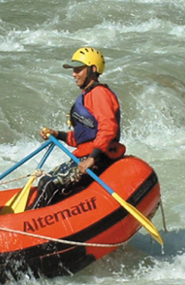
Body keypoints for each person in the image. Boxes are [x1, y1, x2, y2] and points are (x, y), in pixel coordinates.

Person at [38, 46, 126, 202]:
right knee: (45, 181)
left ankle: (31, 225)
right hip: (88, 154)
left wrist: (92, 158)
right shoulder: (88, 95)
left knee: (48, 185)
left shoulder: (99, 94)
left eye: (78, 70)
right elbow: (83, 137)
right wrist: (58, 135)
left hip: (100, 157)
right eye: (73, 70)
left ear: (92, 70)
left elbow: (108, 128)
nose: (74, 74)